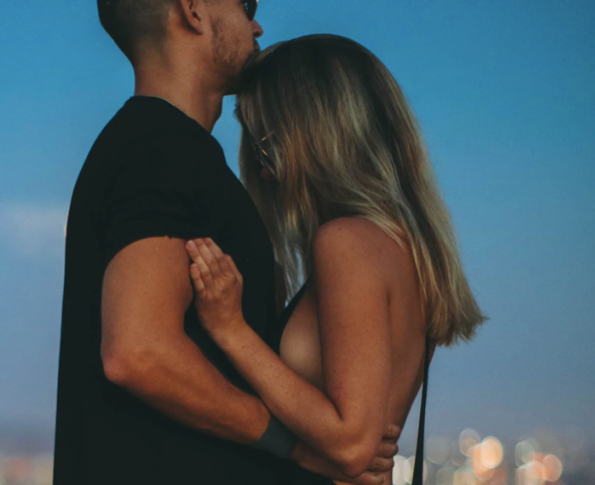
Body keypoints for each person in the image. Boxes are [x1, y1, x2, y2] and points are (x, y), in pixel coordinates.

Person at [52, 0, 400, 484]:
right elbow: (138, 352)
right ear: (193, 10)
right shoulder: (160, 149)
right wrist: (299, 445)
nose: (258, 26)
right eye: (247, 4)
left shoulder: (171, 153)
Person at [181, 34, 489, 485]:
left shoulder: (346, 242)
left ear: (316, 133)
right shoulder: (409, 249)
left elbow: (350, 443)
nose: (263, 168)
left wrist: (231, 331)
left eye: (268, 141)